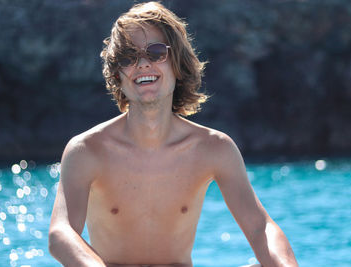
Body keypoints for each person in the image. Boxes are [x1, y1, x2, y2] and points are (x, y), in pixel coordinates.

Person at [48, 2, 298, 267]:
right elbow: (61, 233)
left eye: (156, 52)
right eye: (128, 57)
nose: (143, 64)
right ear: (117, 74)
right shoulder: (86, 151)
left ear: (177, 64)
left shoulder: (215, 149)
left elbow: (260, 227)